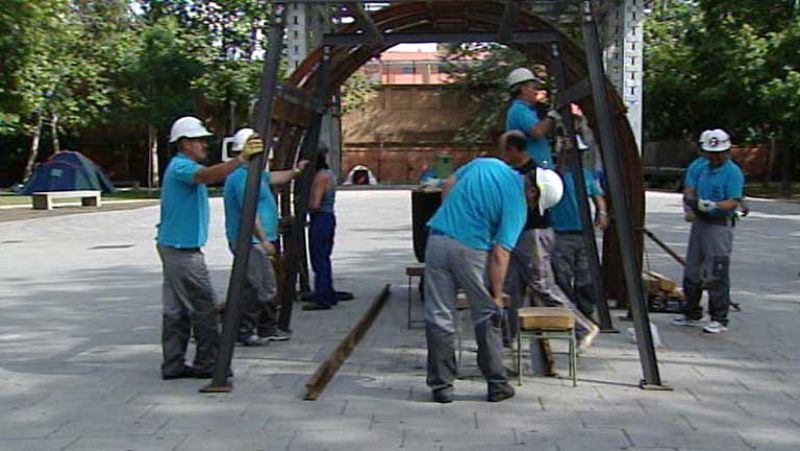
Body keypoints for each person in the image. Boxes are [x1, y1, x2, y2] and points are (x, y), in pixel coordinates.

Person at [157, 116, 263, 380]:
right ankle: (209, 363)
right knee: (204, 306)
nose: (205, 145)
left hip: (174, 246)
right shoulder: (182, 167)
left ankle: (173, 364)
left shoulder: (179, 166)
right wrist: (240, 160)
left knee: (176, 310)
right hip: (182, 250)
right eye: (200, 140)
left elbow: (208, 175)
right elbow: (206, 176)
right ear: (184, 143)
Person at [424, 155, 527, 404]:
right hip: (472, 249)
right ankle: (496, 383)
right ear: (533, 191)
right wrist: (497, 294)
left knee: (439, 314)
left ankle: (442, 386)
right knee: (486, 313)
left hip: (437, 239)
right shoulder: (517, 202)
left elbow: (448, 184)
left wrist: (452, 218)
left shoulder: (486, 163)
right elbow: (501, 255)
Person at [499, 131, 600, 351]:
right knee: (512, 287)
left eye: (505, 150)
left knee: (543, 284)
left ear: (514, 149)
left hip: (533, 234)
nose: (503, 155)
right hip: (518, 234)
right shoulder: (518, 172)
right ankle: (508, 337)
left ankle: (583, 326)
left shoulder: (533, 174)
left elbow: (530, 203)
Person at [223, 128, 308, 346]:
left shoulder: (254, 173)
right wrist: (263, 240)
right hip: (251, 242)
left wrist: (295, 171)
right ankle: (249, 331)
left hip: (257, 241)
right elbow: (248, 212)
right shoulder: (242, 177)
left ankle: (266, 328)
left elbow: (275, 177)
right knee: (258, 286)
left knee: (264, 284)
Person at [673, 129, 744, 334]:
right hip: (700, 222)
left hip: (719, 223)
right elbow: (690, 189)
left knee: (717, 270)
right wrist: (690, 205)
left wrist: (714, 205)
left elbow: (734, 201)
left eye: (720, 153)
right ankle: (691, 311)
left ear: (727, 151)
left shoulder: (732, 173)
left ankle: (719, 317)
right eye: (712, 153)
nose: (716, 157)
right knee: (693, 269)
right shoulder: (700, 167)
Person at [549, 143, 609, 325]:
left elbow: (597, 195)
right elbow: (556, 177)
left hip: (584, 233)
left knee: (586, 275)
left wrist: (602, 212)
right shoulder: (553, 174)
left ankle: (586, 311)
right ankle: (566, 312)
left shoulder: (586, 174)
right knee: (562, 275)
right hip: (561, 233)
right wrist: (562, 157)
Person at [302, 149, 353, 310]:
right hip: (328, 218)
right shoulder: (329, 173)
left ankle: (322, 296)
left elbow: (315, 204)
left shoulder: (320, 177)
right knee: (324, 256)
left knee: (319, 259)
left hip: (320, 219)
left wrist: (301, 203)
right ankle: (327, 291)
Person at [505, 67, 561, 169]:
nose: (536, 92)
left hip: (537, 169)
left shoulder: (526, 110)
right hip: (532, 171)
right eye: (533, 88)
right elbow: (537, 132)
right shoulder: (519, 110)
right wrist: (552, 116)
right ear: (523, 89)